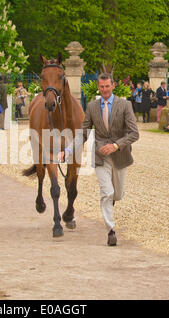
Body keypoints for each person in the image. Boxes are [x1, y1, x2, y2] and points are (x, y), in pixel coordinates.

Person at [59, 73, 139, 246]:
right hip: (100, 156)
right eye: (101, 87)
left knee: (117, 194)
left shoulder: (125, 105)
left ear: (113, 85)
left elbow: (134, 133)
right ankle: (111, 230)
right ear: (98, 87)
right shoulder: (92, 107)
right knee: (107, 192)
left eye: (107, 86)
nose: (104, 90)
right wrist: (68, 150)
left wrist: (116, 146)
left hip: (120, 156)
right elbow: (84, 134)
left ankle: (112, 203)